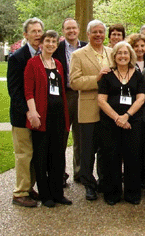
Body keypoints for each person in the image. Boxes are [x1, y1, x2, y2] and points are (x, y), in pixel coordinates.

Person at [24, 30, 72, 207]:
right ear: (41, 44)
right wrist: (33, 113)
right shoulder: (33, 63)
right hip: (41, 117)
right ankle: (46, 195)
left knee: (58, 156)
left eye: (54, 41)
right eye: (48, 41)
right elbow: (28, 91)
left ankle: (57, 193)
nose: (51, 44)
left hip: (59, 116)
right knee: (41, 157)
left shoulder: (58, 64)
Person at [97, 42, 145, 205]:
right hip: (110, 123)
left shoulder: (138, 75)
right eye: (119, 53)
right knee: (111, 157)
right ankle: (112, 193)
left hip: (133, 122)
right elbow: (101, 100)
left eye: (126, 53)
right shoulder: (107, 75)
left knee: (132, 157)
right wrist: (117, 118)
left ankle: (132, 193)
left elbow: (141, 98)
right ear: (114, 56)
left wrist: (126, 116)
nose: (123, 56)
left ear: (131, 56)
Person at [70, 19, 113, 201]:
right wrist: (96, 78)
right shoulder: (79, 55)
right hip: (89, 108)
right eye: (94, 32)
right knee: (87, 150)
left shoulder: (112, 52)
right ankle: (88, 183)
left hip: (109, 110)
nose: (98, 35)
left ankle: (104, 180)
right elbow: (74, 82)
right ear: (87, 34)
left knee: (106, 148)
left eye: (101, 32)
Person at [7, 17, 43, 207]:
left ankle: (29, 187)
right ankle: (19, 192)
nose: (37, 35)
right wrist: (29, 112)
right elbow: (14, 91)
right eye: (34, 31)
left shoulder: (43, 55)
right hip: (22, 116)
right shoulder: (17, 58)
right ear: (25, 34)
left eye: (39, 31)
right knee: (23, 154)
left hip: (40, 114)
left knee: (35, 153)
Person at [52, 18, 87, 186]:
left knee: (81, 137)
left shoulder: (87, 47)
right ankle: (59, 174)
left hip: (83, 95)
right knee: (61, 135)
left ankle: (79, 172)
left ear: (78, 29)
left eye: (74, 28)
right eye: (68, 29)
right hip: (64, 95)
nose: (71, 31)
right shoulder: (56, 49)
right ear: (63, 31)